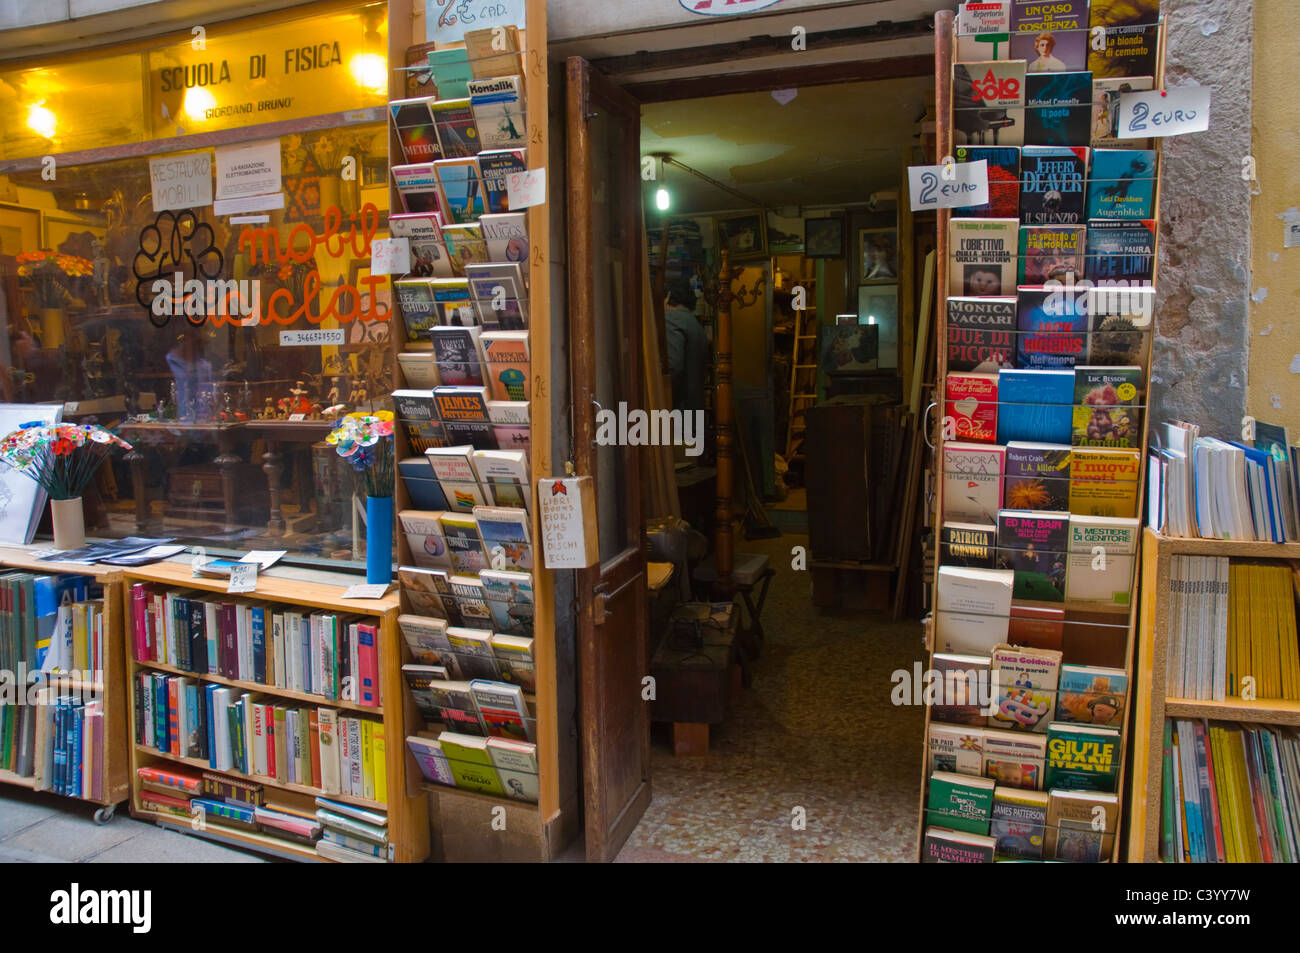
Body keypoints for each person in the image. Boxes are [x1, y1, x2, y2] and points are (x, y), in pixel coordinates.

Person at [663, 277, 710, 414]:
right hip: (696, 409)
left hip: (679, 411)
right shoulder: (694, 323)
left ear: (668, 296)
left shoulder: (671, 320)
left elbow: (673, 367)